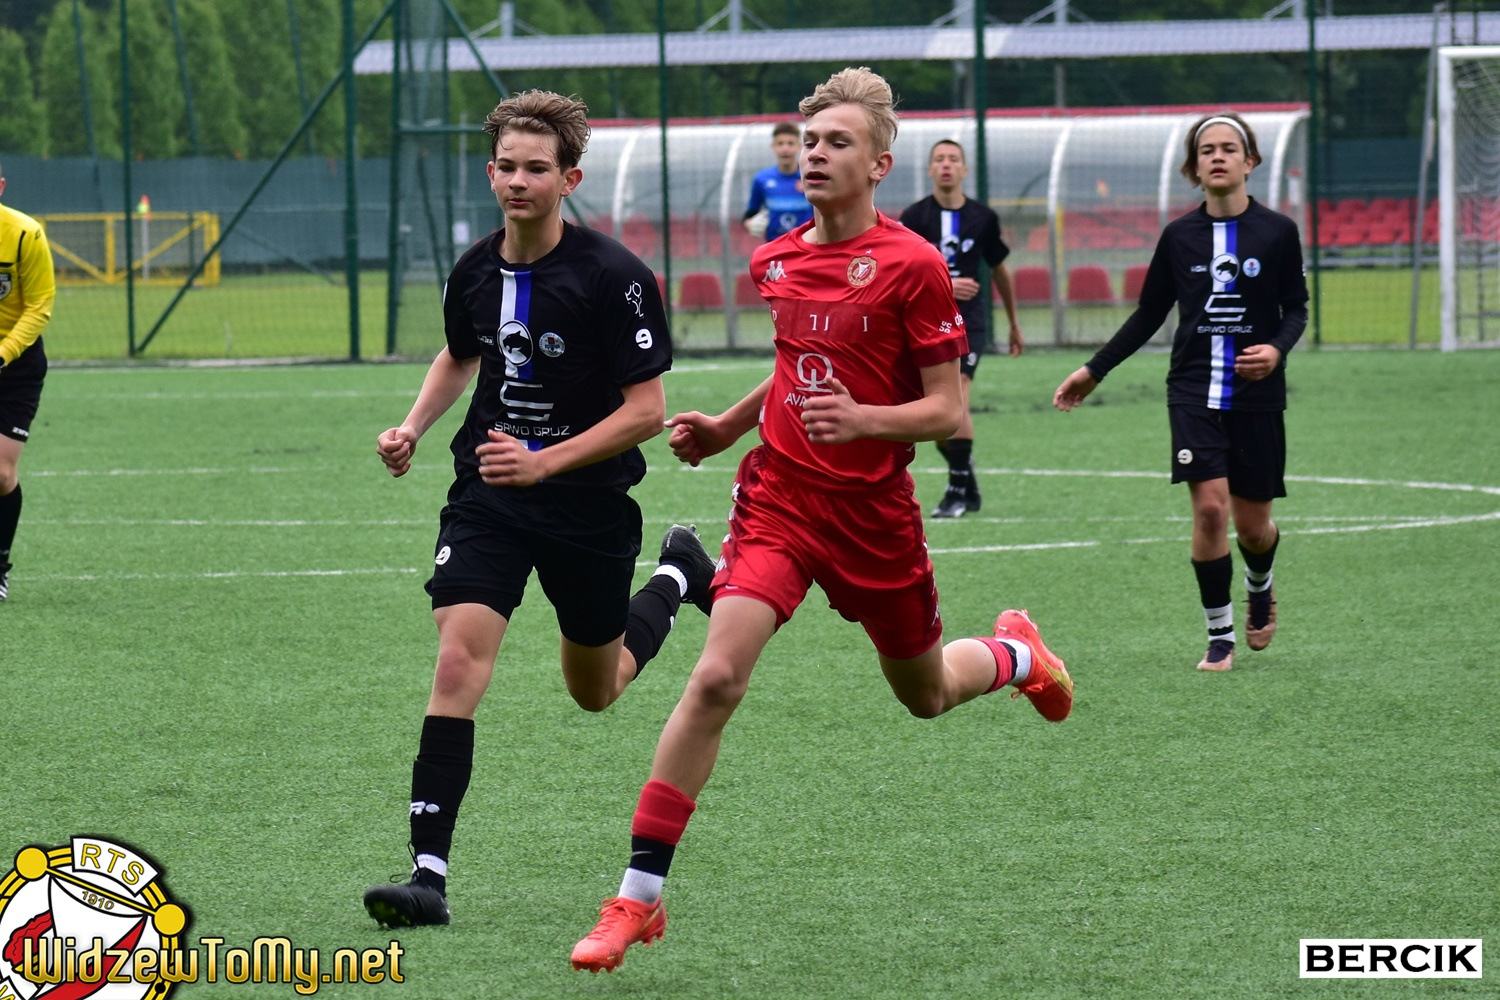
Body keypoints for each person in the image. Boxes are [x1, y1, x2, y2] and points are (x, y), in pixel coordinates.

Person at [570, 67, 1074, 974]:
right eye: (809, 141)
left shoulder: (914, 266)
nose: (816, 154)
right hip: (781, 502)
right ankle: (636, 898)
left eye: (838, 142)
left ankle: (1018, 655)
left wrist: (865, 421)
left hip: (875, 519)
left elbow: (947, 411)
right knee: (716, 678)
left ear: (878, 164)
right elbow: (796, 360)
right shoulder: (777, 259)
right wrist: (730, 428)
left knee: (926, 694)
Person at [362, 90, 716, 929]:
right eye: (506, 168)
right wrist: (412, 428)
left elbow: (646, 412)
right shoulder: (474, 269)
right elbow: (461, 355)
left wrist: (545, 462)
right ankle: (428, 877)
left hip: (587, 506)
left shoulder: (615, 278)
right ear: (490, 174)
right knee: (458, 659)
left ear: (569, 179)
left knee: (597, 689)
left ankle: (676, 574)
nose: (518, 181)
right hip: (488, 494)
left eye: (536, 169)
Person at [1052, 111, 1307, 672]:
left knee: (1253, 528)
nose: (1217, 157)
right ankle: (1220, 636)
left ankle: (1260, 583)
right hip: (1192, 389)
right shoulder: (1179, 237)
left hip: (1257, 396)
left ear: (1250, 162)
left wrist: (1276, 349)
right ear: (1193, 168)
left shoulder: (1278, 232)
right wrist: (1094, 370)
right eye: (1206, 151)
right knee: (1211, 509)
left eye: (1228, 149)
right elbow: (1149, 313)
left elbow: (1297, 308)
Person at [899, 138, 1024, 518]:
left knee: (957, 397)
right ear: (930, 170)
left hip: (969, 322)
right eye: (939, 159)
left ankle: (955, 492)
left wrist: (1014, 323)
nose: (946, 165)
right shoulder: (915, 217)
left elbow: (1000, 270)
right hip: (925, 322)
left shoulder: (982, 217)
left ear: (964, 170)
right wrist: (945, 285)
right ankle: (966, 481)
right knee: (938, 413)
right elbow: (901, 271)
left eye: (953, 159)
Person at [0, 160, 56, 603]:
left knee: (1, 474)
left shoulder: (25, 233)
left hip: (15, 366)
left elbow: (39, 306)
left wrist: (2, 353)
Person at [741, 121, 814, 241]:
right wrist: (749, 224)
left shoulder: (810, 177)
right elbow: (749, 214)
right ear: (773, 147)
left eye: (790, 143)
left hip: (806, 245)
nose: (785, 149)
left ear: (799, 146)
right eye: (780, 143)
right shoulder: (762, 179)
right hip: (774, 245)